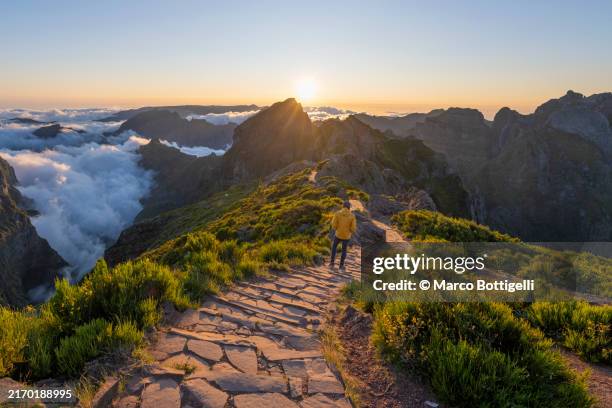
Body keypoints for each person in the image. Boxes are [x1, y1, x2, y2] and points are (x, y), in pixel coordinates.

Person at [330, 200, 357, 270]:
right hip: (346, 236)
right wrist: (350, 231)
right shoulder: (352, 216)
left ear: (343, 206)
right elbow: (353, 228)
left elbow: (333, 224)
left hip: (338, 234)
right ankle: (341, 266)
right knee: (344, 250)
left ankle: (331, 263)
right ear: (349, 207)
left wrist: (336, 229)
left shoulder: (337, 213)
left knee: (334, 247)